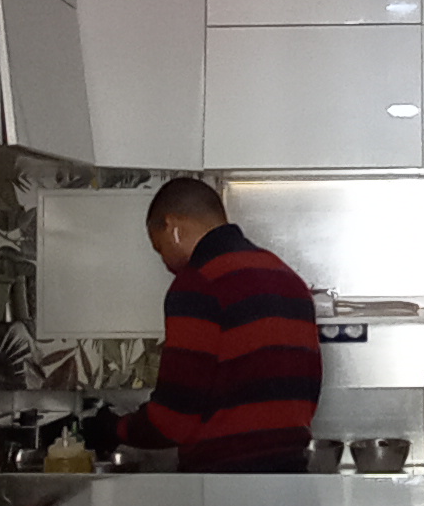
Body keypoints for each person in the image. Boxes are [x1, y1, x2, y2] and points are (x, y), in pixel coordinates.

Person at [115, 176, 323, 472]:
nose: (165, 263)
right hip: (293, 477)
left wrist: (115, 428)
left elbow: (174, 420)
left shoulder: (198, 283)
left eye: (159, 248)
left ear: (173, 228)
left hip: (224, 485)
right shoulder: (288, 278)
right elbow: (309, 391)